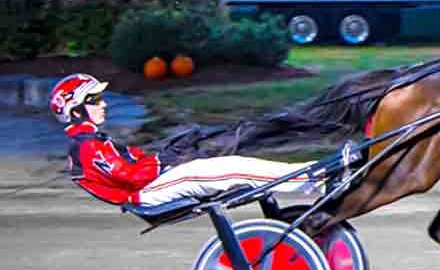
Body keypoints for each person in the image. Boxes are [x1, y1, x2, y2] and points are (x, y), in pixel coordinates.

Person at [50, 73, 323, 208]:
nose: (104, 104)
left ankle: (309, 173)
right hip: (146, 194)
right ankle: (311, 179)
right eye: (95, 100)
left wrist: (167, 155)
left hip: (152, 184)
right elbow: (130, 177)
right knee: (228, 169)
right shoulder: (87, 147)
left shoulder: (92, 142)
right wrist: (165, 160)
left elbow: (136, 168)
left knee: (228, 163)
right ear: (75, 111)